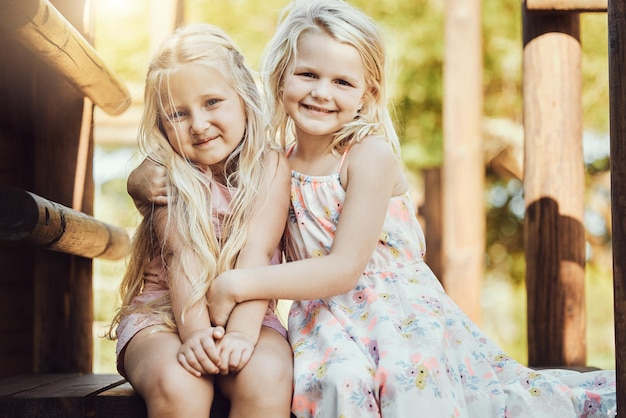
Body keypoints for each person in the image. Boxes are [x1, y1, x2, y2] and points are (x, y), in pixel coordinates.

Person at [128, 1, 617, 417]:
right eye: (308, 75)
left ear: (369, 93)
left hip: (392, 311)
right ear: (279, 78)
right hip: (323, 318)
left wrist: (235, 284)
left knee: (411, 388)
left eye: (343, 81)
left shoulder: (369, 155)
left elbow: (342, 268)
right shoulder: (276, 159)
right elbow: (187, 230)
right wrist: (139, 179)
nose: (322, 92)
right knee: (337, 379)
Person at [108, 23, 293, 418]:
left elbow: (257, 252)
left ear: (243, 96)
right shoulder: (166, 173)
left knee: (268, 377)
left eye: (212, 102)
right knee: (181, 384)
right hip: (164, 316)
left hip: (248, 315)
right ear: (160, 124)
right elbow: (182, 254)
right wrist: (194, 337)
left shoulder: (270, 167)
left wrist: (242, 335)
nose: (198, 124)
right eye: (178, 113)